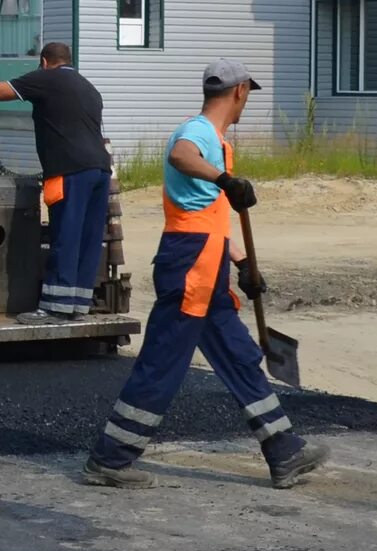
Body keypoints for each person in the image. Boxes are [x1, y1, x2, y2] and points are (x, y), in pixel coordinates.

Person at [83, 61, 328, 491]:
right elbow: (181, 155)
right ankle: (111, 458)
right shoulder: (196, 133)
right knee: (162, 362)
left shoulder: (215, 140)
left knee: (239, 355)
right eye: (247, 93)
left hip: (206, 260)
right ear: (238, 92)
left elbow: (206, 218)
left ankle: (284, 450)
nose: (247, 100)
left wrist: (241, 262)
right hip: (190, 266)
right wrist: (225, 179)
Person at [0, 38, 110, 321]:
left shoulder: (47, 79)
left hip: (70, 171)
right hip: (100, 170)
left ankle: (53, 308)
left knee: (66, 236)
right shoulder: (89, 88)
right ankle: (77, 306)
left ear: (44, 62)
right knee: (87, 238)